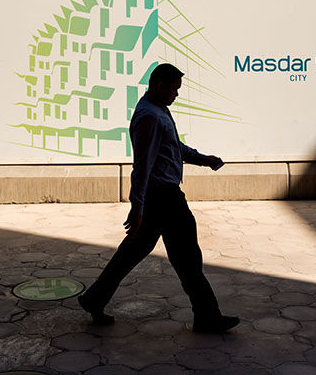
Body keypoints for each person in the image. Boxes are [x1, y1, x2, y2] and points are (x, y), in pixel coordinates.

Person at [78, 63, 240, 333]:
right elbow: (142, 166)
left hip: (160, 199)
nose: (177, 94)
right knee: (187, 257)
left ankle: (94, 298)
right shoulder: (149, 117)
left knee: (132, 253)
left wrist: (203, 159)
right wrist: (137, 208)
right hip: (164, 199)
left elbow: (174, 148)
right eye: (174, 89)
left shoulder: (158, 110)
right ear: (160, 86)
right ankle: (207, 316)